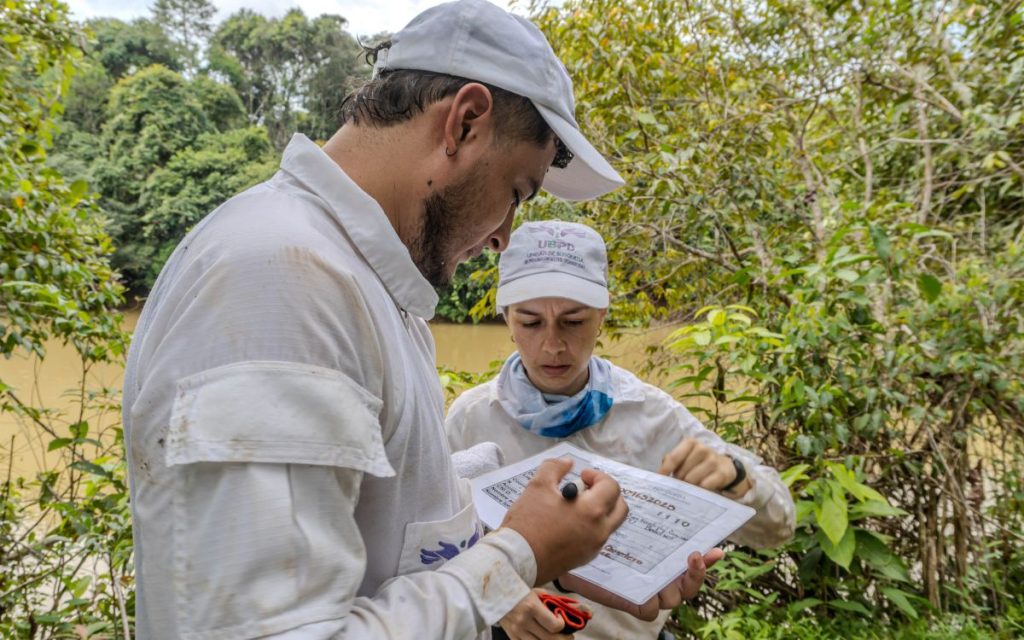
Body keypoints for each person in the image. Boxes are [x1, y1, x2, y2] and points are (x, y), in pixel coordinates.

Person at [122, 2, 720, 638]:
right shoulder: (283, 279)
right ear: (463, 123)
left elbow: (387, 533)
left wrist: (572, 555)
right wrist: (522, 554)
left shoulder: (368, 286)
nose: (503, 237)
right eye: (517, 192)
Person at [446, 220, 797, 640]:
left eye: (573, 322)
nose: (553, 345)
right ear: (506, 318)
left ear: (602, 316)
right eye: (531, 322)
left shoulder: (652, 416)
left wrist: (736, 477)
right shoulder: (472, 418)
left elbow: (779, 527)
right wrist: (497, 597)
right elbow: (422, 549)